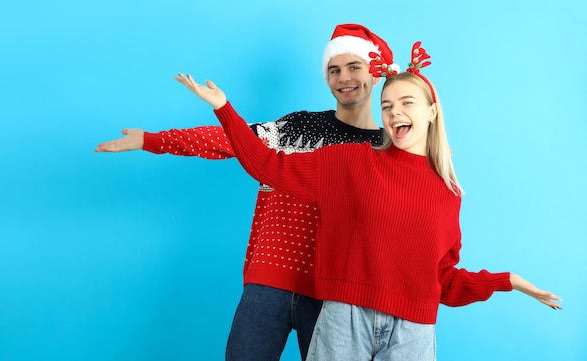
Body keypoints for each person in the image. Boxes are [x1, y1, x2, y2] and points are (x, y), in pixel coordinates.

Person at [173, 40, 562, 361]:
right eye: (388, 106)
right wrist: (224, 108)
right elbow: (269, 166)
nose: (395, 113)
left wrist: (507, 281)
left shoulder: (449, 194)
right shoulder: (354, 160)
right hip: (345, 320)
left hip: (414, 333)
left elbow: (442, 280)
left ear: (432, 110)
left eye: (407, 102)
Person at [96, 24, 399, 361]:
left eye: (353, 67)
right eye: (334, 70)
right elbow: (231, 139)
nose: (343, 77)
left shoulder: (387, 149)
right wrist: (152, 140)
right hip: (270, 279)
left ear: (375, 74)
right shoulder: (298, 127)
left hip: (333, 295)